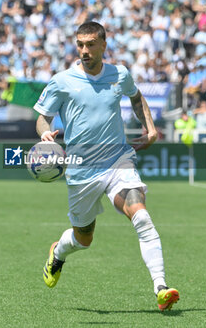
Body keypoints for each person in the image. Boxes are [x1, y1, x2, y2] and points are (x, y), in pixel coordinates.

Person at [33, 21, 179, 311]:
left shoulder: (119, 73)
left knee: (142, 216)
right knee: (83, 238)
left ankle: (161, 287)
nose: (84, 50)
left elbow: (136, 97)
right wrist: (44, 133)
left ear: (103, 45)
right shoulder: (62, 80)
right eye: (80, 44)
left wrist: (149, 127)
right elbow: (42, 116)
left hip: (117, 161)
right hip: (81, 171)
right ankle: (58, 252)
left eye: (89, 44)